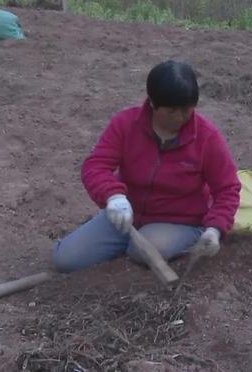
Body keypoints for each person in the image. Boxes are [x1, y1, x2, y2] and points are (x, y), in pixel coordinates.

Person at [52, 60, 241, 273]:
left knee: (143, 249)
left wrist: (215, 229)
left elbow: (228, 189)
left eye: (186, 110)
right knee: (65, 260)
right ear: (152, 103)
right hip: (125, 215)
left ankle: (184, 236)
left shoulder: (207, 137)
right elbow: (95, 166)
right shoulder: (125, 124)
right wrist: (113, 197)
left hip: (180, 222)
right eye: (171, 111)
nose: (180, 118)